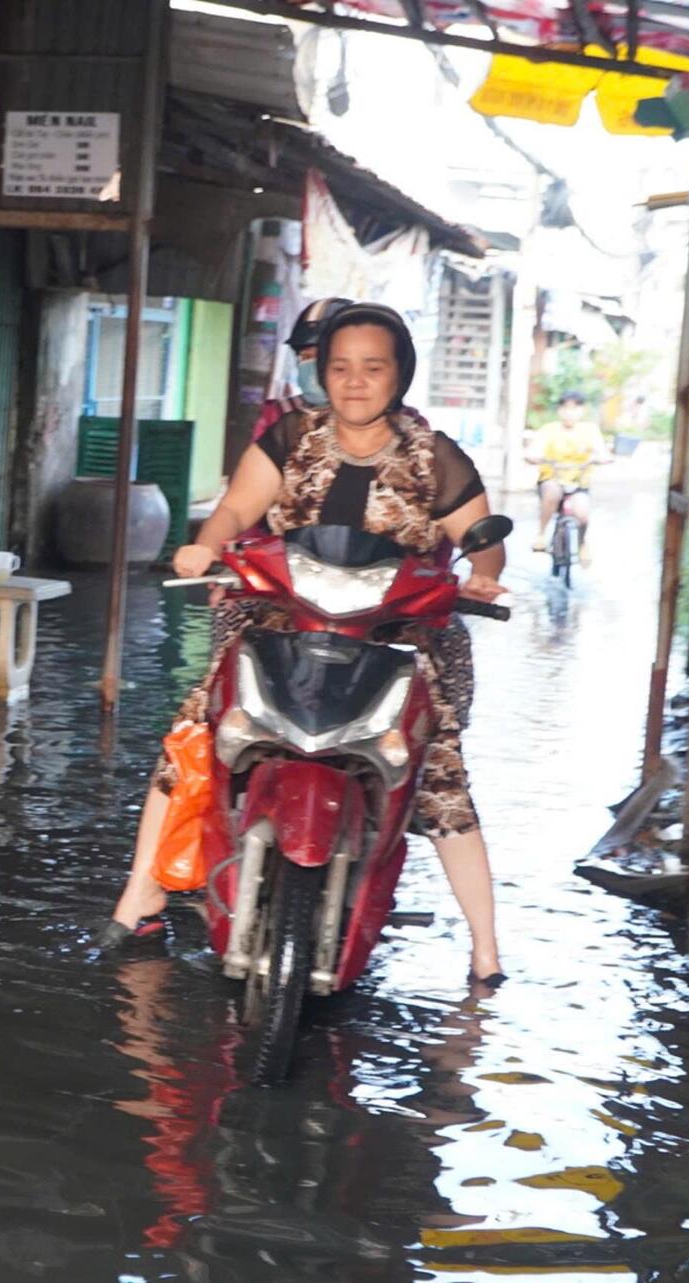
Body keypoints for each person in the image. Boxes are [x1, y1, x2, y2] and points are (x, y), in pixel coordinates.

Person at [102, 303, 509, 988]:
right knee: (196, 732)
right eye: (340, 366)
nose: (355, 382)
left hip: (396, 637)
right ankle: (141, 893)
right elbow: (238, 507)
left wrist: (484, 575)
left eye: (373, 367)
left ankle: (487, 948)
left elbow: (482, 537)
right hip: (279, 622)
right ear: (322, 370)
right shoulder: (292, 437)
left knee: (439, 774)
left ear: (399, 373)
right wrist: (206, 544)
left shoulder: (433, 454)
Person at [250, 296, 353, 444]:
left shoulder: (380, 422)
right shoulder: (279, 415)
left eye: (322, 356)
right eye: (305, 356)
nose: (312, 364)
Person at [526, 392, 611, 564]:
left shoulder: (590, 430)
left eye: (574, 408)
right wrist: (535, 457)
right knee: (552, 493)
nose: (569, 413)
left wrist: (600, 458)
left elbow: (602, 452)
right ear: (559, 410)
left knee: (582, 513)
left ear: (582, 410)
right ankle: (541, 534)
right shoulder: (548, 430)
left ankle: (582, 543)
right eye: (565, 408)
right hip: (552, 477)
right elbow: (533, 451)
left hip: (579, 482)